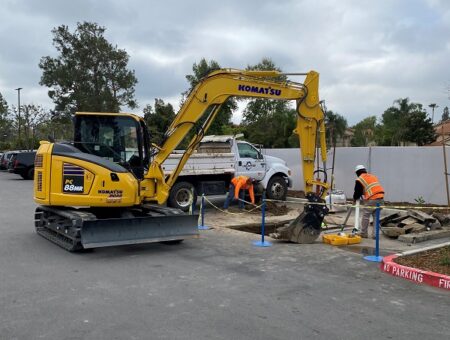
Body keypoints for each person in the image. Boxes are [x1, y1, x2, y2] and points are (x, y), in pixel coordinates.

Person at [353, 164, 385, 239]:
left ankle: (363, 233)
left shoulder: (360, 179)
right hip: (381, 197)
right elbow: (371, 187)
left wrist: (354, 199)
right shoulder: (372, 176)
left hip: (372, 198)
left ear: (357, 172)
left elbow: (357, 192)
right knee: (376, 217)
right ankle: (375, 235)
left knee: (366, 216)